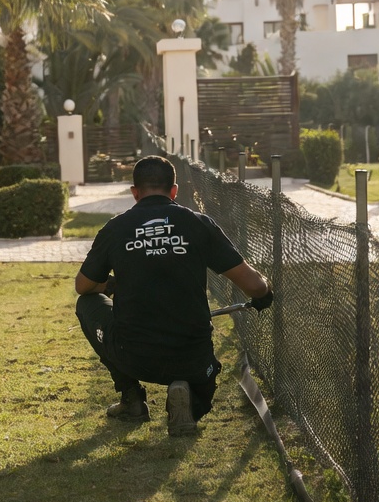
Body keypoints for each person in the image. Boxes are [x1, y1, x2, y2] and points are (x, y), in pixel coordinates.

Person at [74, 155, 273, 436]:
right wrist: (265, 291)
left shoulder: (116, 228)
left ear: (135, 193)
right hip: (193, 358)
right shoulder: (198, 223)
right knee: (199, 383)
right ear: (174, 191)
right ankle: (188, 396)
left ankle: (131, 398)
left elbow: (83, 287)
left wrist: (109, 286)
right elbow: (253, 285)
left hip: (133, 354)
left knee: (87, 304)